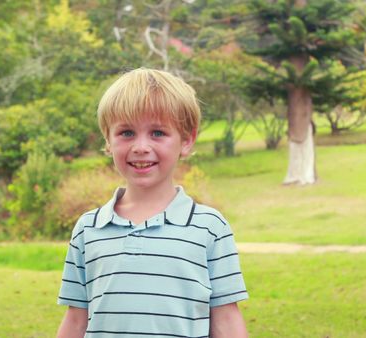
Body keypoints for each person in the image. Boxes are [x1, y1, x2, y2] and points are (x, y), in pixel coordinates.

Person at [56, 68, 248, 338]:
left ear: (187, 140)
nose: (141, 147)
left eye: (157, 133)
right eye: (126, 133)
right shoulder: (88, 229)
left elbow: (227, 320)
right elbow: (76, 320)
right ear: (108, 141)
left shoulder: (210, 228)